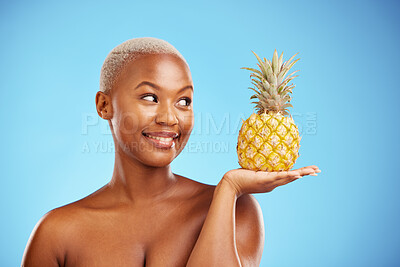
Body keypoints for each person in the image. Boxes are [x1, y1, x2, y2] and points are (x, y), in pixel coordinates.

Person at [21, 37, 320, 267]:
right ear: (104, 106)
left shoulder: (235, 210)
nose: (170, 118)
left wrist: (229, 188)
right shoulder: (56, 232)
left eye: (184, 101)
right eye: (150, 97)